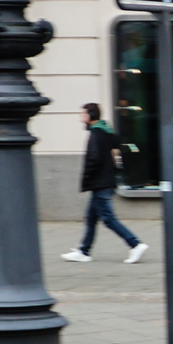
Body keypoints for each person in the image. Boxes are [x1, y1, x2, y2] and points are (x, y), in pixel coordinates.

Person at [64, 103, 146, 264]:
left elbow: (93, 160)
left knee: (108, 218)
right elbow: (117, 153)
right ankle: (83, 251)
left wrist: (87, 178)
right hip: (106, 181)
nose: (81, 118)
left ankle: (135, 244)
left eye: (83, 114)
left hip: (100, 183)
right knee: (91, 217)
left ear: (90, 116)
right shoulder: (108, 132)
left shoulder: (96, 135)